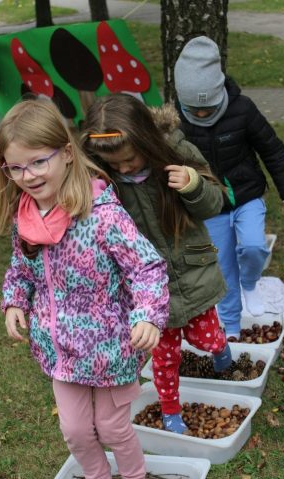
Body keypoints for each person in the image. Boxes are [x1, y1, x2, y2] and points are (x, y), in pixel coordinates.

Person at [0, 98, 170, 479]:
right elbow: (22, 266)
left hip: (110, 347)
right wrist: (15, 301)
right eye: (14, 168)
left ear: (67, 153)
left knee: (111, 427)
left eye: (37, 163)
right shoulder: (27, 219)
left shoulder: (103, 215)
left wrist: (147, 315)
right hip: (61, 351)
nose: (27, 176)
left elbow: (146, 267)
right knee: (74, 430)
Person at [82, 93, 232, 436]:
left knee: (204, 338)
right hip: (148, 293)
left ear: (146, 141)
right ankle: (170, 410)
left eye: (129, 160)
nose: (122, 168)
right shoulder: (101, 178)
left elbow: (214, 203)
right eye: (114, 164)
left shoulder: (177, 151)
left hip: (190, 273)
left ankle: (220, 346)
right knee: (163, 358)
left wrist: (193, 186)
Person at [174, 36, 284, 340]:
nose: (202, 115)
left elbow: (272, 149)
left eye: (208, 108)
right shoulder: (177, 122)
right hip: (210, 206)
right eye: (196, 109)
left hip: (247, 197)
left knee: (254, 247)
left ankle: (251, 282)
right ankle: (230, 327)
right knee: (223, 270)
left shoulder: (243, 109)